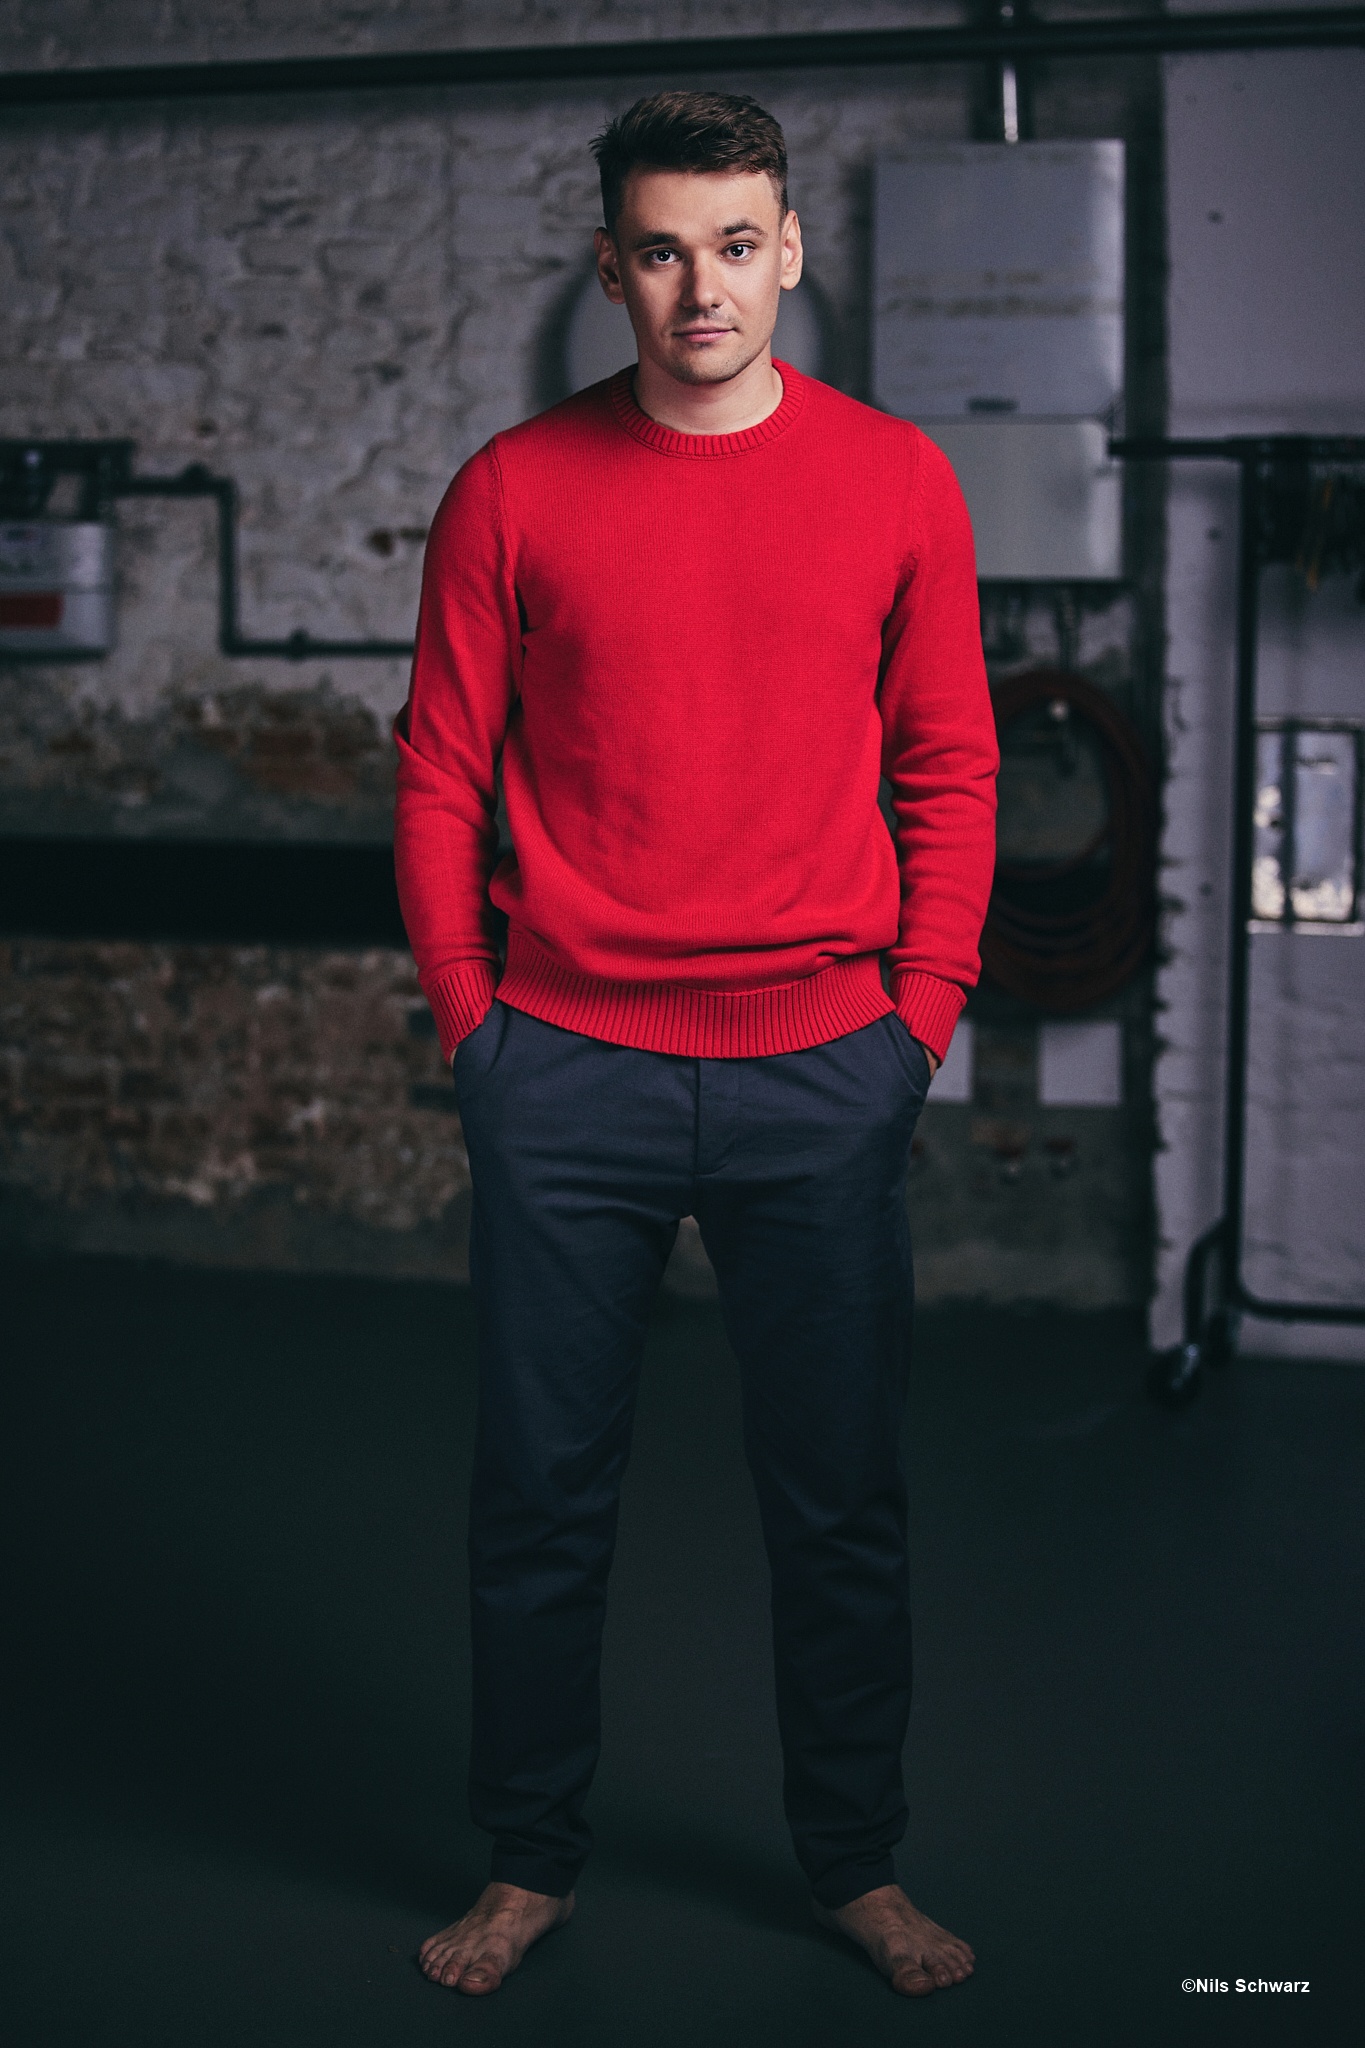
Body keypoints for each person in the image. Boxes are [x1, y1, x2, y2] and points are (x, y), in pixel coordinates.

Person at [394, 88, 997, 2001]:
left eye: (735, 245)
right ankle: (529, 1862)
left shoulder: (897, 482)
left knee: (838, 1506)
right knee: (538, 1501)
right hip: (564, 1067)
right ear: (610, 267)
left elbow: (951, 766)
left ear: (789, 251)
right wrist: (476, 1023)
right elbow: (439, 775)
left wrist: (913, 1023)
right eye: (660, 251)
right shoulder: (512, 490)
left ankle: (854, 1866)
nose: (701, 287)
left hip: (822, 1067)